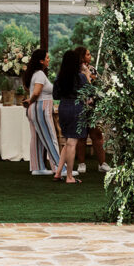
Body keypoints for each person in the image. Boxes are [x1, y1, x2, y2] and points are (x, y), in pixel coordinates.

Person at [73, 46, 109, 175]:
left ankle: (102, 163)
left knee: (97, 135)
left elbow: (99, 84)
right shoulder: (74, 71)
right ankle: (81, 163)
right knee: (81, 136)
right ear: (82, 56)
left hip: (93, 106)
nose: (90, 56)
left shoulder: (93, 69)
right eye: (88, 54)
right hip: (80, 106)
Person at [23, 47, 59, 176]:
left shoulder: (33, 74)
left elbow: (32, 90)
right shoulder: (39, 74)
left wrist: (29, 101)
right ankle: (60, 168)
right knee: (50, 138)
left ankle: (37, 167)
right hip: (41, 108)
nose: (49, 60)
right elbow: (37, 92)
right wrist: (31, 100)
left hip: (35, 109)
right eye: (47, 58)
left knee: (37, 138)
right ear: (41, 61)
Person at [53, 49, 86, 184]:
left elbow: (56, 96)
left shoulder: (59, 78)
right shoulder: (80, 77)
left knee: (67, 142)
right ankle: (70, 176)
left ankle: (58, 172)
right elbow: (88, 93)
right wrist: (87, 73)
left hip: (63, 107)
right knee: (72, 143)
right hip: (76, 108)